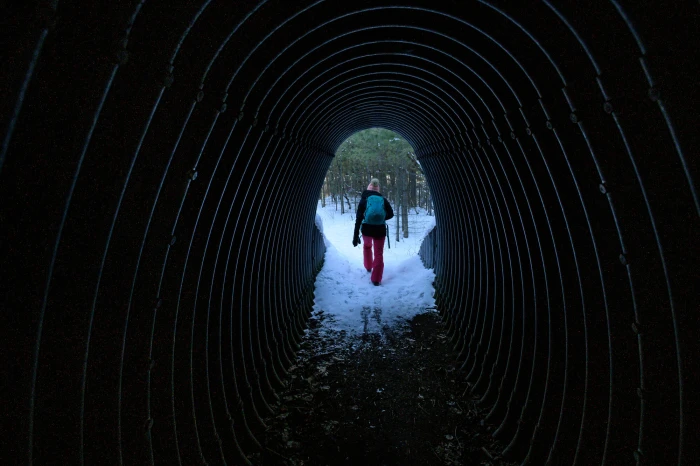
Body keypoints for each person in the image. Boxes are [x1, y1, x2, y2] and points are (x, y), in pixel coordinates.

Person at [352, 178, 394, 285]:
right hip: (380, 229)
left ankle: (368, 266)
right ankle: (376, 279)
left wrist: (355, 236)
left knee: (367, 247)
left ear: (369, 188)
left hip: (367, 229)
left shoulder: (364, 199)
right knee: (379, 253)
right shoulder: (383, 200)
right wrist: (382, 217)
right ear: (377, 189)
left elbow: (358, 219)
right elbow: (391, 214)